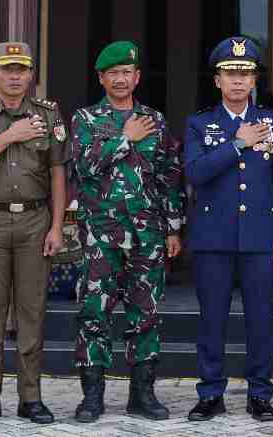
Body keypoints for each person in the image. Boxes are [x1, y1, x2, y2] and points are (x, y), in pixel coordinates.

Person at [71, 41, 185, 423]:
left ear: (136, 78)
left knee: (146, 315)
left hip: (147, 237)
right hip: (101, 236)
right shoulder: (86, 119)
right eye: (113, 73)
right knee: (94, 313)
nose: (121, 79)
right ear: (101, 78)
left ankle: (143, 394)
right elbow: (85, 167)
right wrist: (126, 138)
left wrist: (172, 227)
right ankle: (92, 397)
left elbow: (169, 175)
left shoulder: (154, 119)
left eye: (127, 73)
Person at [184, 37, 273, 422]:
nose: (237, 81)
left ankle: (260, 394)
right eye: (230, 73)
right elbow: (196, 173)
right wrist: (236, 144)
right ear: (217, 80)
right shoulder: (200, 123)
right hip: (213, 237)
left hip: (260, 237)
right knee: (212, 320)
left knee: (261, 321)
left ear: (254, 81)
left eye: (245, 74)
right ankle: (210, 392)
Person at [0, 42, 68, 426]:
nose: (15, 76)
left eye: (22, 69)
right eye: (7, 69)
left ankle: (31, 398)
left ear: (31, 74)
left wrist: (57, 226)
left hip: (34, 223)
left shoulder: (48, 114)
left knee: (31, 314)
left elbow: (58, 171)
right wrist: (10, 135)